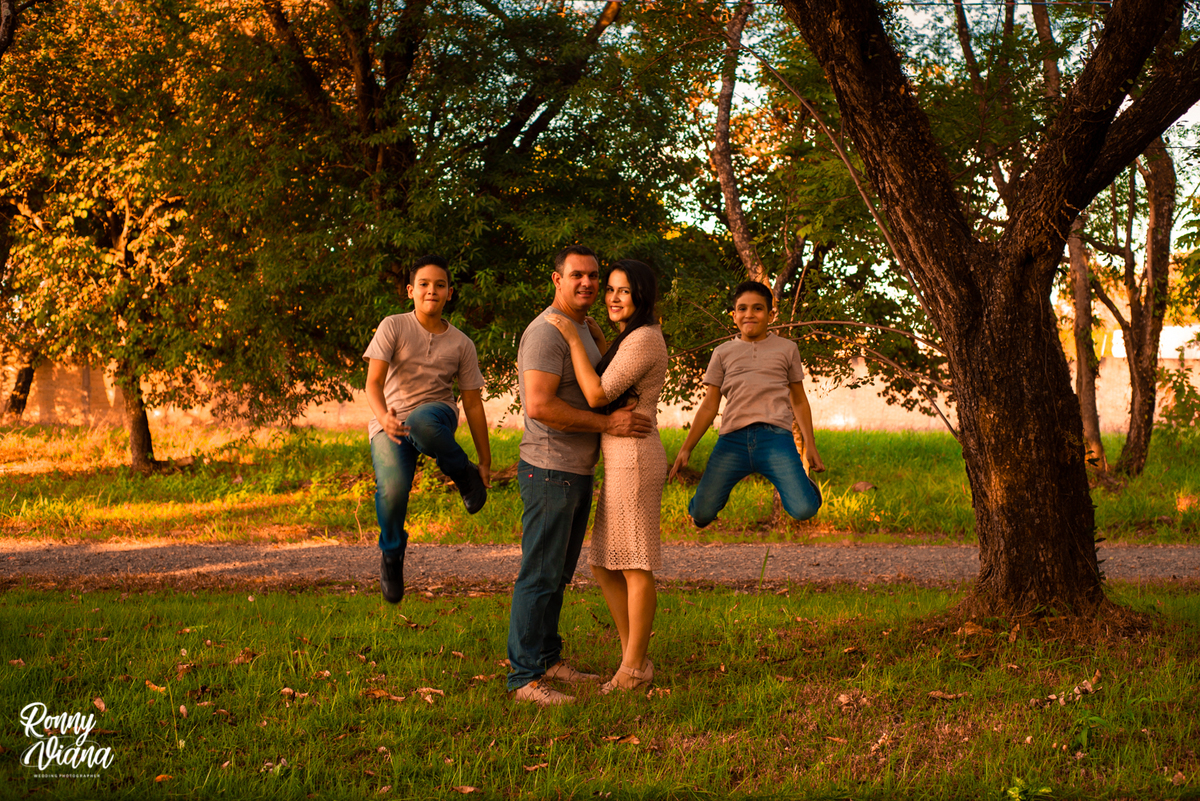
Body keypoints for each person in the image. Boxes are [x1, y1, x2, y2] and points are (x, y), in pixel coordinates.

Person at [507, 245, 654, 706]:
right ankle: (525, 677)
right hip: (549, 468)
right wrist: (607, 424)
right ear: (557, 279)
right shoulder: (547, 334)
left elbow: (608, 379)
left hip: (577, 470)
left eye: (595, 276)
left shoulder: (583, 329)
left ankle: (548, 658)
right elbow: (540, 405)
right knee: (540, 575)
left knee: (559, 574)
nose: (588, 284)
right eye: (578, 276)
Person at [546, 259, 669, 695]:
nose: (614, 298)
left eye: (624, 291)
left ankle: (634, 669)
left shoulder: (645, 340)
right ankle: (632, 658)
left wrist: (572, 339)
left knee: (635, 564)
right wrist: (597, 338)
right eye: (611, 289)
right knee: (603, 562)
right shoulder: (628, 339)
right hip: (619, 457)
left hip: (635, 457)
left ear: (642, 297)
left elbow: (597, 392)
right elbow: (608, 378)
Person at [363, 254, 491, 605]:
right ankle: (391, 554)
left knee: (422, 420)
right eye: (423, 284)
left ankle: (461, 473)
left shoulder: (462, 344)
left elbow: (474, 404)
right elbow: (373, 382)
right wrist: (383, 416)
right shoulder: (393, 326)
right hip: (390, 420)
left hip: (437, 415)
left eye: (439, 285)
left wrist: (484, 460)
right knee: (392, 492)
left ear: (450, 293)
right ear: (410, 291)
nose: (431, 290)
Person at [669, 280, 824, 528]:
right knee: (701, 513)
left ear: (771, 314)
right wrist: (686, 448)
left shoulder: (787, 349)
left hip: (775, 439)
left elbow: (798, 398)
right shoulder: (722, 352)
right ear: (734, 316)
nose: (749, 314)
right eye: (742, 309)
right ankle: (705, 506)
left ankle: (807, 490)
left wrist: (810, 446)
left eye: (758, 308)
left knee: (804, 509)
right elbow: (709, 405)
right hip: (733, 440)